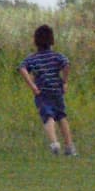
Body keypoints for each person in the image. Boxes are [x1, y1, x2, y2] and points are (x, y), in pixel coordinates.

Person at [19, 23, 77, 156]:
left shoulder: (32, 58)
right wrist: (65, 81)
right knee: (61, 117)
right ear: (52, 40)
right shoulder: (56, 56)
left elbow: (22, 68)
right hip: (57, 90)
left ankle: (54, 143)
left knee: (48, 117)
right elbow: (66, 64)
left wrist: (32, 86)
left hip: (42, 92)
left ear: (36, 41)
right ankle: (69, 147)